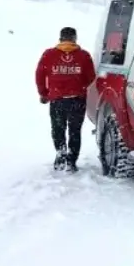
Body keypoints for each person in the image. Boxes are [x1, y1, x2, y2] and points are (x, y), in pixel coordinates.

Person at [35, 27, 96, 171]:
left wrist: (44, 94)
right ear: (74, 38)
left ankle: (61, 155)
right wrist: (79, 87)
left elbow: (39, 75)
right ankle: (72, 160)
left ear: (60, 38)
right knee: (75, 130)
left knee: (58, 129)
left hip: (57, 100)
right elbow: (91, 77)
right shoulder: (83, 56)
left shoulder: (49, 55)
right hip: (77, 100)